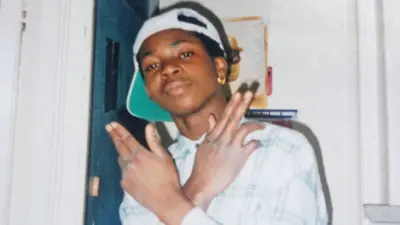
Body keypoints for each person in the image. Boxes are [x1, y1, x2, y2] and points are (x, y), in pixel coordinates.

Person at [105, 2, 329, 225]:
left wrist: (170, 204)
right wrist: (198, 187)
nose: (167, 68)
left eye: (185, 54)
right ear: (149, 92)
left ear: (220, 68)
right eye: (152, 66)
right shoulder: (147, 172)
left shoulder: (280, 148)